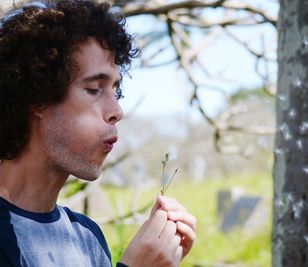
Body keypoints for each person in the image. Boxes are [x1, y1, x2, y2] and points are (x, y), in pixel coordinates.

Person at [0, 0, 196, 266]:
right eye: (94, 89)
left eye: (115, 90)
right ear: (37, 95)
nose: (117, 111)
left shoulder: (87, 236)